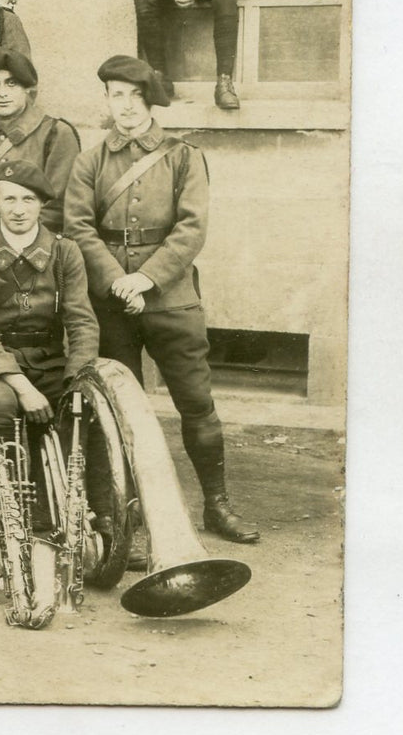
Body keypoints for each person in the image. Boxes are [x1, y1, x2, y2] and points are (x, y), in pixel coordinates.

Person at [64, 55, 259, 543]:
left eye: (134, 95)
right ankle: (120, 515)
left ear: (150, 99)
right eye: (116, 95)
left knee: (196, 404)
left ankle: (217, 504)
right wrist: (115, 280)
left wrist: (146, 278)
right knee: (111, 409)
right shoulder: (90, 160)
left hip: (171, 298)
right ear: (106, 100)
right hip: (110, 303)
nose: (126, 106)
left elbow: (192, 228)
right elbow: (78, 228)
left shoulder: (183, 156)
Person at [0, 160, 97, 458]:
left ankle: (62, 501)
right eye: (9, 199)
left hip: (49, 361)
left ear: (42, 203)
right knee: (2, 406)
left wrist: (77, 380)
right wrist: (23, 387)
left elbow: (82, 321)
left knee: (79, 411)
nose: (19, 209)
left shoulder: (64, 251)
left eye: (28, 199)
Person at [0, 49, 80, 238]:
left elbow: (58, 207)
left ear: (27, 88)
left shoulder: (56, 134)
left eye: (12, 84)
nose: (2, 93)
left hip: (37, 242)